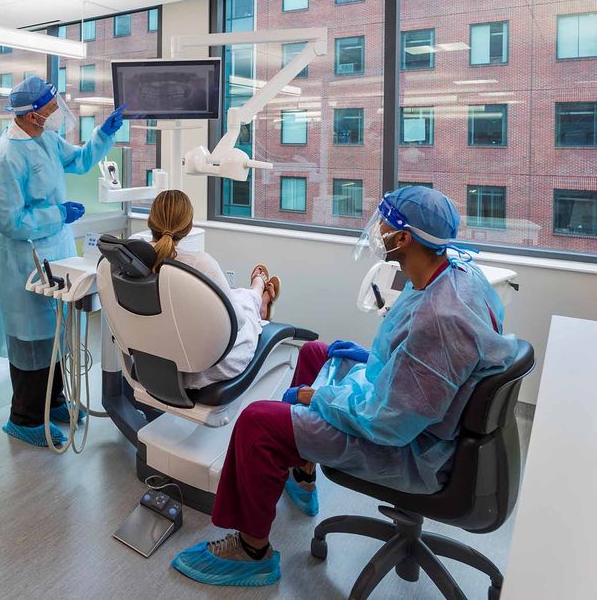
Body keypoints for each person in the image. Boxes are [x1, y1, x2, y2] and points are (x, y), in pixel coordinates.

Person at [171, 186, 519, 587]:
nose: (377, 231)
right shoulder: (451, 273)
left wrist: (319, 398)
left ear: (404, 239)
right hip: (409, 408)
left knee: (258, 422)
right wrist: (372, 357)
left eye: (384, 224)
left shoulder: (439, 321)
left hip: (409, 450)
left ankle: (252, 551)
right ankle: (302, 473)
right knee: (316, 353)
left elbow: (390, 424)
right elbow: (415, 363)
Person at [0, 75, 126, 448]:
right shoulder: (4, 159)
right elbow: (10, 221)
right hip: (25, 258)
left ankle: (56, 400)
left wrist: (103, 135)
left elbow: (78, 161)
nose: (55, 114)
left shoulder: (44, 138)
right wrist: (58, 214)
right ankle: (25, 417)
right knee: (32, 340)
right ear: (31, 115)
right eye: (50, 109)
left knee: (59, 333)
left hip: (57, 253)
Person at [146, 190, 280, 389]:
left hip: (154, 363)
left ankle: (255, 294)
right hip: (207, 367)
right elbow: (238, 322)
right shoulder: (200, 264)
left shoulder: (132, 259)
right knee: (242, 308)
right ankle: (258, 293)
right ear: (188, 226)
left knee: (235, 295)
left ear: (150, 221)